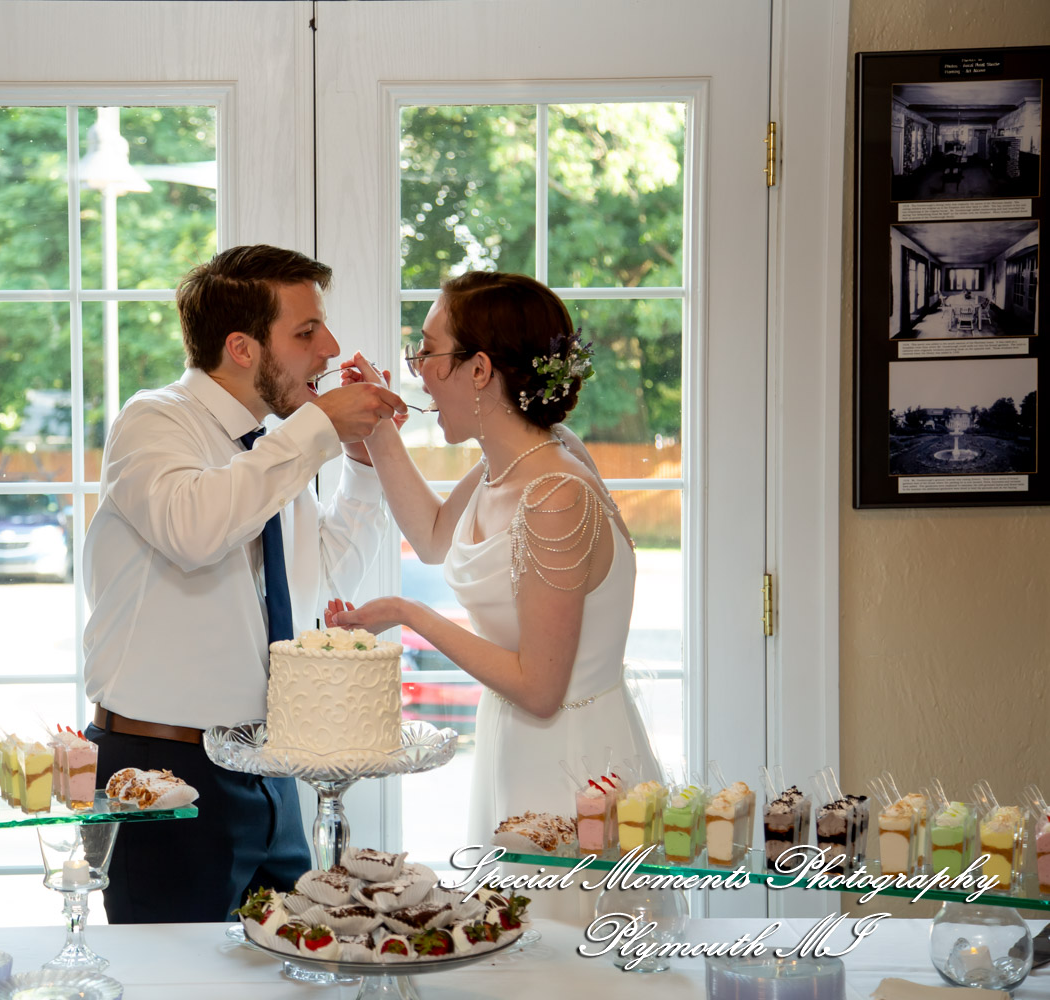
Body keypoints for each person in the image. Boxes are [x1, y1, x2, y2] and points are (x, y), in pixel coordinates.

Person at [82, 244, 405, 923]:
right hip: (161, 769)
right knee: (170, 984)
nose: (331, 348)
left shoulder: (271, 449)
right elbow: (194, 532)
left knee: (289, 973)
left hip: (267, 767)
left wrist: (361, 465)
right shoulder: (156, 421)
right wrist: (316, 429)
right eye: (306, 331)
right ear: (242, 347)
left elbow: (321, 574)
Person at [327, 271, 655, 921]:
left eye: (428, 351)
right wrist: (378, 431)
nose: (417, 372)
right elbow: (432, 538)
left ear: (479, 370)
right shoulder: (507, 465)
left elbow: (539, 687)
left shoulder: (556, 495)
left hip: (572, 776)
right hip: (516, 753)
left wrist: (408, 613)